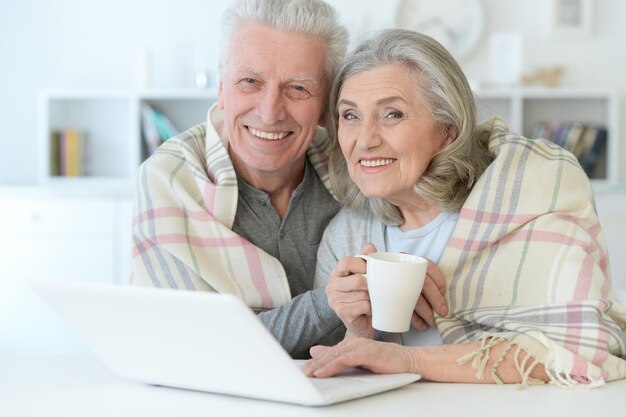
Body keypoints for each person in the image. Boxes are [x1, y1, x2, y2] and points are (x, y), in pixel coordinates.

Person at [302, 29, 626, 387]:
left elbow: (579, 352)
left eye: (392, 114)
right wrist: (357, 332)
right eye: (350, 116)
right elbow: (347, 369)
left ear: (448, 129)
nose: (364, 139)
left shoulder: (531, 195)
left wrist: (410, 359)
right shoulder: (347, 235)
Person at [129, 0, 448, 359]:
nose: (269, 112)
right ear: (221, 88)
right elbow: (193, 348)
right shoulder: (169, 181)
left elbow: (464, 144)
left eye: (297, 88)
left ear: (327, 102)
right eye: (249, 82)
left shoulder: (359, 161)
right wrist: (330, 302)